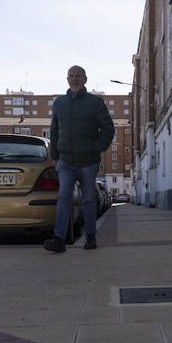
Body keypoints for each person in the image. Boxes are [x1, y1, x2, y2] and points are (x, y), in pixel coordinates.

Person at [43, 65, 114, 253]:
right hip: (65, 162)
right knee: (64, 197)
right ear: (67, 79)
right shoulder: (59, 103)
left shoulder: (95, 103)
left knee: (89, 199)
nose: (74, 79)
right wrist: (55, 157)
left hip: (88, 162)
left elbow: (108, 129)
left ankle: (90, 237)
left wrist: (96, 148)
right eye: (71, 76)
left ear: (85, 79)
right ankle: (59, 239)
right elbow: (54, 131)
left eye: (78, 76)